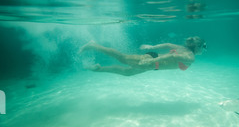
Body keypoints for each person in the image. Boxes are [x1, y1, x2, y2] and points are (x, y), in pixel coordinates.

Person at [79, 36, 207, 76]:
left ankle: (98, 68)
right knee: (122, 58)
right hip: (151, 61)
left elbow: (168, 44)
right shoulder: (190, 57)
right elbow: (173, 57)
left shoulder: (183, 49)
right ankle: (93, 45)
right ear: (198, 47)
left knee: (127, 73)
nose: (204, 50)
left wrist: (152, 47)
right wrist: (153, 55)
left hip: (153, 63)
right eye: (204, 47)